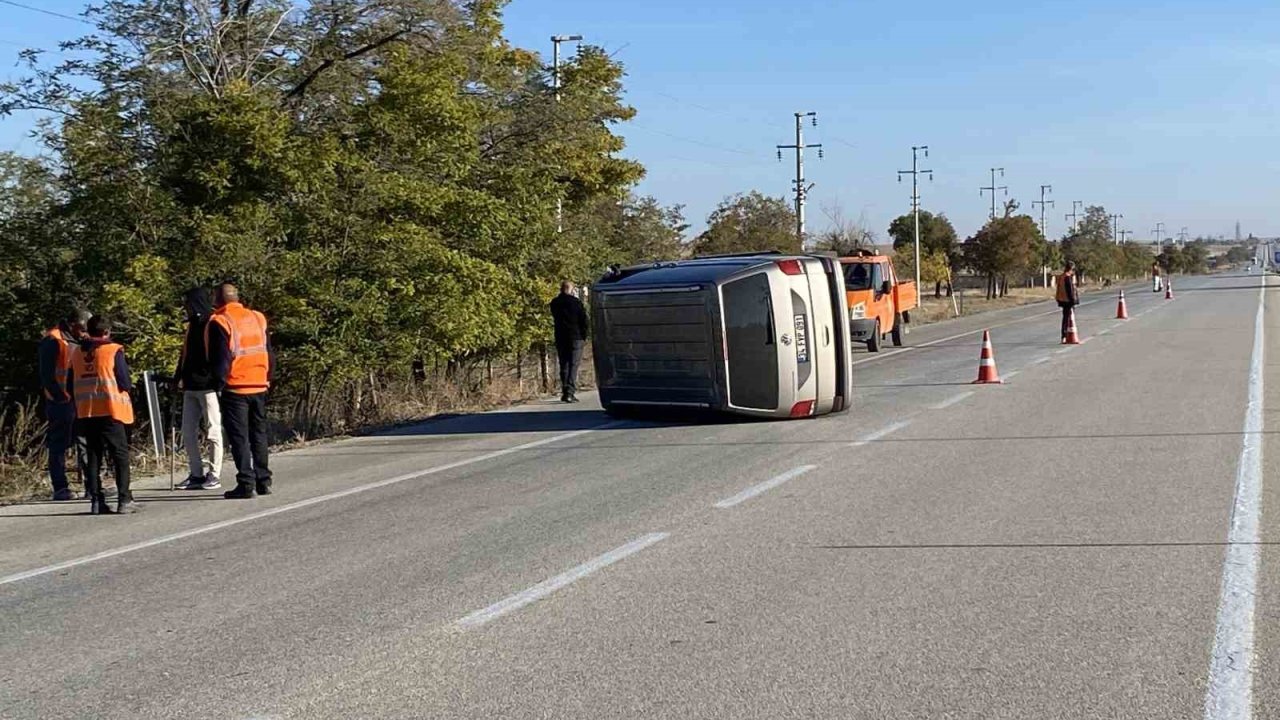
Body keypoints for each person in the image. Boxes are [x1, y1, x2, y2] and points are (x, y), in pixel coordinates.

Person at [205, 283, 274, 500]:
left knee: (240, 437)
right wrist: (268, 377)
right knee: (259, 434)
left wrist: (218, 384)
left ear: (217, 299)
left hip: (236, 386)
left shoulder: (220, 321)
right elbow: (268, 351)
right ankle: (263, 480)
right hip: (259, 382)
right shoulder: (257, 317)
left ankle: (246, 483)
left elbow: (221, 359)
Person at [70, 316, 140, 514]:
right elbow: (125, 381)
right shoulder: (113, 350)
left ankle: (96, 500)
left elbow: (70, 382)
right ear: (107, 331)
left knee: (94, 455)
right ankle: (125, 500)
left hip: (86, 410)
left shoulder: (76, 353)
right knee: (119, 455)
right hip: (111, 409)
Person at [38, 309, 91, 501]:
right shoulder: (53, 340)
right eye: (82, 328)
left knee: (85, 442)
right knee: (58, 445)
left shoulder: (80, 340)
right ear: (71, 324)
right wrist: (60, 397)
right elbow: (46, 375)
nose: (85, 332)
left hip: (81, 400)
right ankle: (60, 488)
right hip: (60, 402)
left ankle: (91, 486)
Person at [174, 287, 223, 490]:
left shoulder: (212, 324)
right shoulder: (191, 326)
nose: (186, 308)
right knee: (188, 432)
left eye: (188, 304)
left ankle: (214, 474)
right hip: (190, 386)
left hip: (208, 387)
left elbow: (219, 356)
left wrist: (218, 382)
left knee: (213, 431)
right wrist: (178, 378)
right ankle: (196, 474)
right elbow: (184, 355)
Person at [549, 280, 588, 403]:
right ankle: (570, 392)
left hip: (561, 336)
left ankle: (565, 391)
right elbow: (584, 320)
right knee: (573, 365)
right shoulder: (576, 303)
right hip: (576, 337)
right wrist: (584, 335)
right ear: (571, 289)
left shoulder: (554, 303)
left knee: (563, 364)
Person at [1056, 261, 1079, 340]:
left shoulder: (1061, 277)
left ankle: (1064, 335)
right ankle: (1066, 335)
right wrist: (1073, 301)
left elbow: (1058, 289)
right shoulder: (1067, 277)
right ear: (1071, 269)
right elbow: (1070, 291)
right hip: (1068, 301)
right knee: (1069, 318)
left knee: (1065, 318)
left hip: (1062, 300)